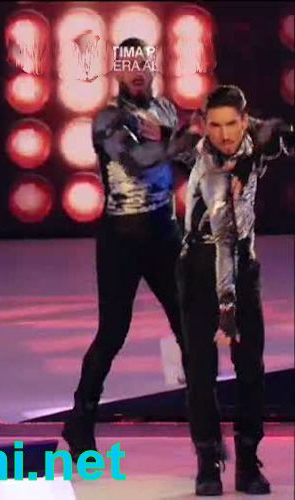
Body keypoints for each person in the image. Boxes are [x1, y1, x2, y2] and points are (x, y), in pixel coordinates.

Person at [62, 37, 200, 459]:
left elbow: (188, 165)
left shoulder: (166, 110)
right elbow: (138, 161)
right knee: (113, 332)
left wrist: (180, 142)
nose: (137, 72)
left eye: (143, 64)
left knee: (188, 328)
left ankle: (204, 426)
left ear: (152, 68)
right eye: (129, 65)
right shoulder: (107, 118)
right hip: (121, 238)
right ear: (118, 72)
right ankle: (80, 419)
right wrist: (183, 139)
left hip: (163, 234)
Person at [179, 84, 293, 496]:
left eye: (232, 124)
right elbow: (222, 239)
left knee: (251, 369)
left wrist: (254, 157)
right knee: (200, 370)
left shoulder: (255, 141)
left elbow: (278, 132)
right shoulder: (200, 158)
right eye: (215, 126)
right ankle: (207, 460)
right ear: (204, 125)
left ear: (245, 121)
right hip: (200, 265)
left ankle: (248, 458)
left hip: (244, 265)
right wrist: (225, 308)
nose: (224, 135)